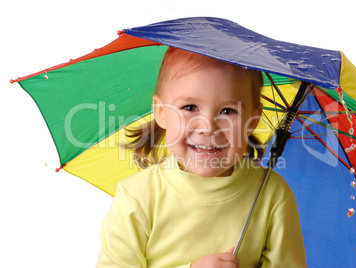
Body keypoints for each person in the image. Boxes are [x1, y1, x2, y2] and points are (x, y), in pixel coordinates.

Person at [97, 47, 306, 267]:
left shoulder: (271, 195)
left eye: (227, 111)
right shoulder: (138, 197)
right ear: (160, 112)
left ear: (253, 119)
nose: (207, 127)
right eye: (190, 107)